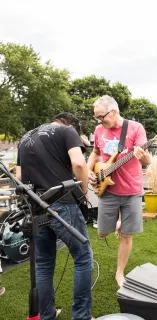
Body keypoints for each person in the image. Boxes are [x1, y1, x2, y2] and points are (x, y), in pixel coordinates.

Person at [16, 112, 94, 320]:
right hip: (63, 203)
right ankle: (82, 316)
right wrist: (85, 192)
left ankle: (47, 315)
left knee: (43, 263)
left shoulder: (25, 138)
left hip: (36, 207)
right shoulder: (67, 132)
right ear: (72, 126)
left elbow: (19, 177)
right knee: (83, 258)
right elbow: (79, 164)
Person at [87, 95, 150, 287]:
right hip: (107, 189)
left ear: (113, 112)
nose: (99, 121)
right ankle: (117, 225)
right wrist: (90, 170)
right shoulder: (99, 130)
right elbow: (96, 152)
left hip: (131, 190)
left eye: (101, 116)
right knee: (102, 232)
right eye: (96, 117)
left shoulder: (135, 128)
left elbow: (146, 161)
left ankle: (119, 272)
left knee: (127, 235)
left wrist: (142, 156)